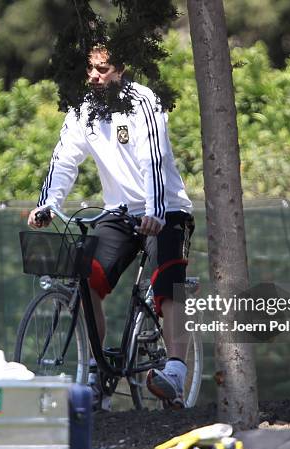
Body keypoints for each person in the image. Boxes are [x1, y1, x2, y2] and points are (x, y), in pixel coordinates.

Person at [28, 45, 194, 409]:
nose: (93, 75)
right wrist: (49, 204)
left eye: (102, 68)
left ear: (121, 68)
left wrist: (155, 211)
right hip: (119, 213)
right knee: (87, 278)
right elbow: (65, 159)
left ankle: (177, 371)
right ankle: (95, 370)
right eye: (90, 68)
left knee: (169, 284)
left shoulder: (144, 101)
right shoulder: (81, 109)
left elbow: (154, 158)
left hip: (165, 208)